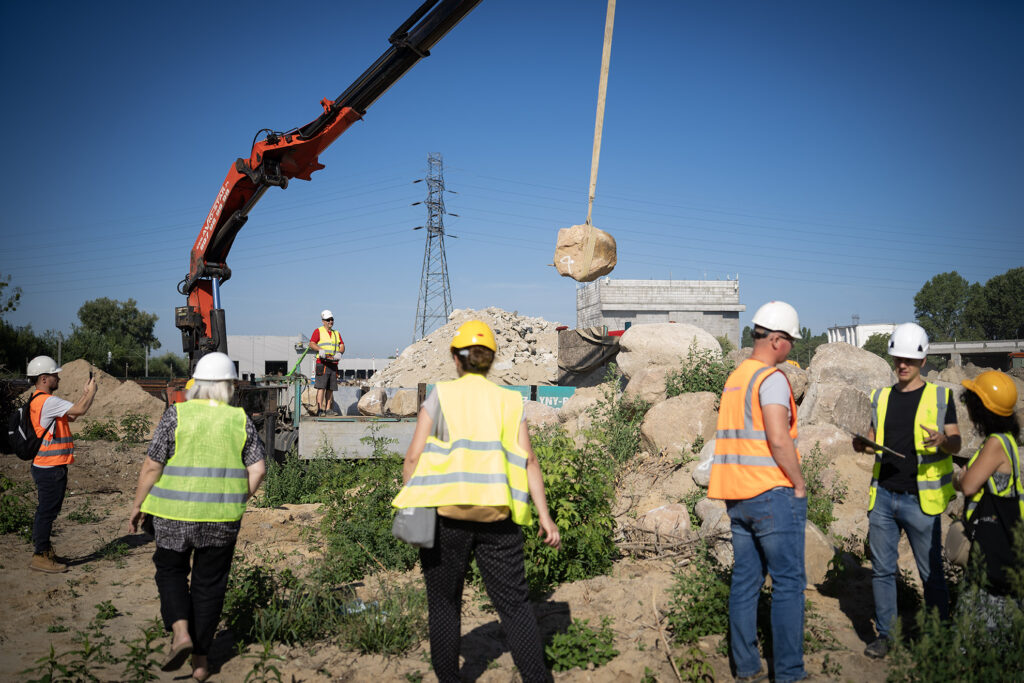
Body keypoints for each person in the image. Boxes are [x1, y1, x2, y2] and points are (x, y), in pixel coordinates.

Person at [393, 320, 560, 683]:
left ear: (456, 358)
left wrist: (412, 507)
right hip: (498, 519)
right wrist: (545, 516)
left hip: (445, 519)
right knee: (515, 607)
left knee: (444, 603)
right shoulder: (509, 400)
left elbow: (412, 459)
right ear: (491, 360)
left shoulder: (440, 396)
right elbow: (529, 460)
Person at [129, 352, 266, 681]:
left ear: (198, 384)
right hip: (222, 518)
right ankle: (202, 664)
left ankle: (181, 633)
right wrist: (239, 497)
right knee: (209, 585)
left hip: (173, 516)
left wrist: (138, 504)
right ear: (228, 387)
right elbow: (258, 468)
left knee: (171, 571)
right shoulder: (240, 420)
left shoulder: (177, 415)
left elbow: (152, 464)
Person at [707, 300, 807, 683]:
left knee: (746, 582)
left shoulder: (737, 378)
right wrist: (798, 482)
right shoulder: (772, 379)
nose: (791, 350)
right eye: (791, 342)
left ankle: (746, 667)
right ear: (778, 341)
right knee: (787, 585)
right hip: (771, 495)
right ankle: (789, 673)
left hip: (737, 497)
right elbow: (778, 439)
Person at [852, 322, 961, 658]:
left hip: (921, 501)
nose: (902, 365)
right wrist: (863, 445)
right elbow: (874, 441)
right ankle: (886, 635)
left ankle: (939, 639)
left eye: (908, 361)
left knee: (932, 575)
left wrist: (944, 441)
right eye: (897, 359)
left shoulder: (942, 397)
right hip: (883, 495)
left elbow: (956, 441)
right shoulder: (880, 397)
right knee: (882, 571)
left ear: (922, 361)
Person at [953, 370, 1021, 600]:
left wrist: (960, 478)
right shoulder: (1007, 440)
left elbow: (969, 485)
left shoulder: (995, 443)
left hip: (991, 552)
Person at [26, 355, 97, 573]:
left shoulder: (39, 401)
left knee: (48, 511)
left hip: (48, 465)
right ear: (44, 378)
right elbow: (80, 410)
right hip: (50, 467)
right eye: (55, 375)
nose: (58, 378)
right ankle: (40, 556)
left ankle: (45, 551)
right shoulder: (47, 401)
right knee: (46, 512)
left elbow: (73, 415)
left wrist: (85, 394)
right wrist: (92, 393)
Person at [309, 309, 344, 416]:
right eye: (328, 320)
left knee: (330, 388)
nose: (330, 322)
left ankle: (328, 409)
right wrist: (320, 350)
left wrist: (339, 353)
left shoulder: (336, 333)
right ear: (323, 321)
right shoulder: (318, 331)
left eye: (332, 319)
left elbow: (342, 345)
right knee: (321, 387)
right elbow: (312, 343)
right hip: (322, 363)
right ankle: (320, 410)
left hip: (333, 363)